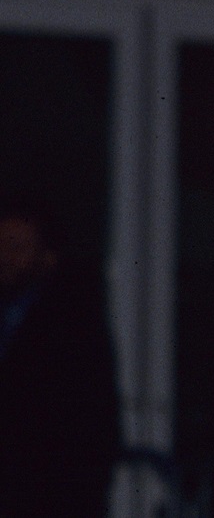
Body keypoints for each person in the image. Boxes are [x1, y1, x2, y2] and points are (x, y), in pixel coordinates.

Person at [0, 201, 120, 517]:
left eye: (17, 247)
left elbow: (89, 416)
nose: (5, 258)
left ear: (48, 258)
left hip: (50, 493)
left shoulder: (73, 324)